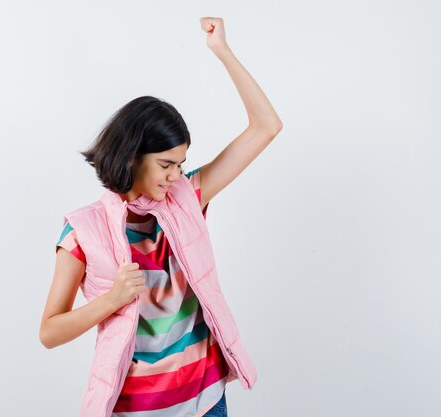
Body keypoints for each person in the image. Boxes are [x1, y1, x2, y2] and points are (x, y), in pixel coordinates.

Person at [39, 17, 282, 417]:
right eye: (166, 164)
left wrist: (222, 51)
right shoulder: (83, 231)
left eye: (181, 164)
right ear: (132, 157)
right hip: (135, 409)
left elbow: (266, 127)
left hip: (207, 402)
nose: (175, 176)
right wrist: (113, 299)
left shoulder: (186, 198)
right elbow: (49, 331)